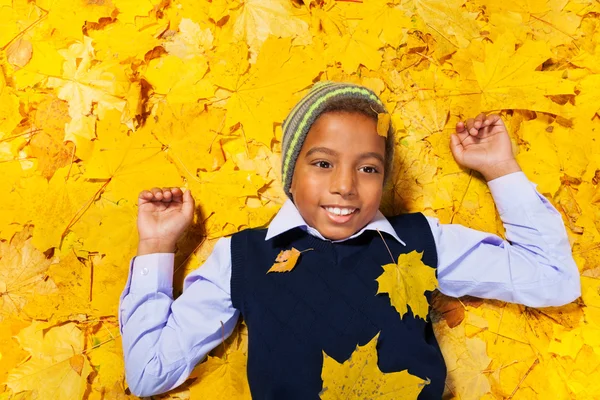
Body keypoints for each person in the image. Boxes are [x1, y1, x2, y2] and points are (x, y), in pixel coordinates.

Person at [119, 82, 581, 399]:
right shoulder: (242, 258)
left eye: (368, 168)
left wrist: (501, 169)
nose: (345, 185)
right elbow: (148, 372)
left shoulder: (417, 242)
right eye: (322, 163)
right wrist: (157, 245)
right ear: (290, 173)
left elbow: (555, 281)